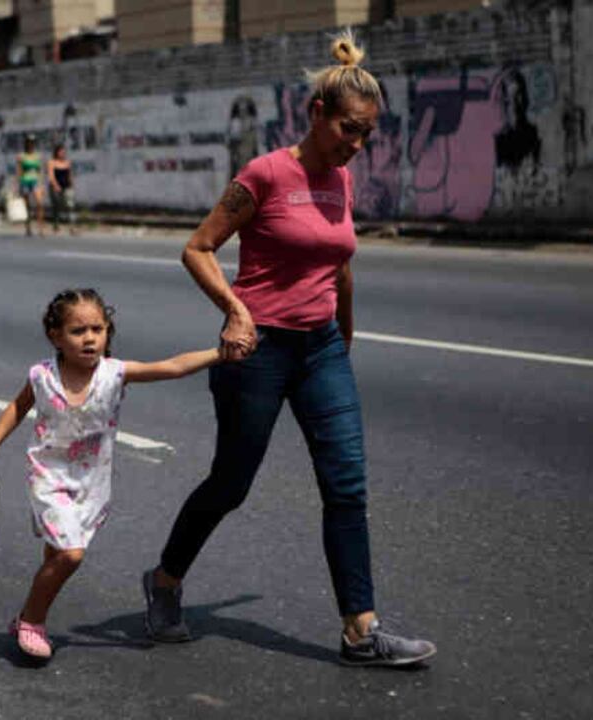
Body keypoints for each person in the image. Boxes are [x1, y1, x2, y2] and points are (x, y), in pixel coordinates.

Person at [140, 31, 437, 668]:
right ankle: (164, 582)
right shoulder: (266, 175)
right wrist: (236, 308)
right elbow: (197, 248)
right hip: (259, 352)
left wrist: (344, 337)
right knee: (231, 484)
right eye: (348, 130)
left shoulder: (342, 181)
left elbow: (339, 264)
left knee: (347, 486)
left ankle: (361, 630)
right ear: (316, 115)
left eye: (366, 135)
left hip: (321, 351)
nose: (356, 145)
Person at [0, 288, 223, 661]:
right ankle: (31, 620)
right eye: (78, 331)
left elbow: (171, 367)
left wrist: (221, 353)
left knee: (56, 555)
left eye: (98, 328)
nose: (90, 337)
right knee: (71, 555)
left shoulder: (115, 374)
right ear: (56, 337)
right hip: (48, 475)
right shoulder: (42, 376)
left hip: (92, 482)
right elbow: (18, 406)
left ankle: (29, 613)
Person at [17, 137, 46, 237]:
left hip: (35, 181)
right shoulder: (22, 156)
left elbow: (40, 171)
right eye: (29, 143)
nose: (31, 145)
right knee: (26, 206)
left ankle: (41, 228)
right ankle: (28, 227)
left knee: (39, 203)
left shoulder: (37, 156)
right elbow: (19, 171)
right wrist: (18, 185)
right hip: (25, 181)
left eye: (32, 143)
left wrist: (42, 184)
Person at [47, 144, 77, 234]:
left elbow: (70, 175)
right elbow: (51, 175)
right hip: (56, 187)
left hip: (66, 186)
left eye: (63, 151)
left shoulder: (67, 162)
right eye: (60, 151)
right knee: (56, 206)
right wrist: (56, 185)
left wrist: (72, 184)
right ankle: (56, 225)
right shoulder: (52, 162)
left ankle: (72, 227)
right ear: (56, 152)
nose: (62, 153)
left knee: (70, 205)